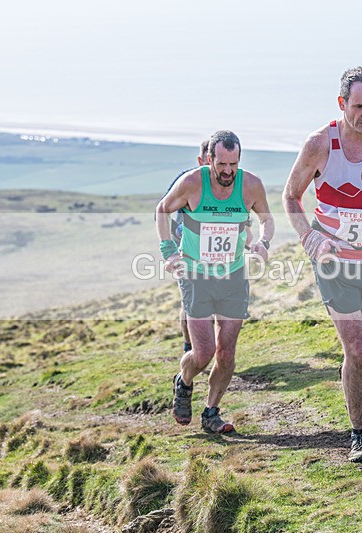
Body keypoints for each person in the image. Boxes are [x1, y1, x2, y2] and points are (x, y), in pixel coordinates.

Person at [283, 67, 362, 462]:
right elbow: (290, 196)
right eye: (358, 106)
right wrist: (310, 238)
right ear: (341, 103)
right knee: (356, 346)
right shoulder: (320, 144)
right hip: (334, 260)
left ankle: (350, 377)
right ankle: (359, 435)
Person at [156, 130, 274, 433]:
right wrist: (169, 251)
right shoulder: (193, 183)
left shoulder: (251, 185)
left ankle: (211, 412)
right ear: (209, 159)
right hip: (196, 275)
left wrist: (263, 242)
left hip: (233, 275)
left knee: (226, 352)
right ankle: (183, 382)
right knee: (204, 352)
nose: (227, 171)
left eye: (233, 164)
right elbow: (162, 210)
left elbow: (267, 219)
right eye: (221, 164)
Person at [160, 139, 210, 354]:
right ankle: (189, 348)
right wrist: (170, 250)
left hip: (219, 253)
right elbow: (163, 211)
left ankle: (214, 351)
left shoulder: (232, 182)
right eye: (209, 160)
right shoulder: (187, 180)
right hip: (187, 250)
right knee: (191, 303)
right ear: (201, 160)